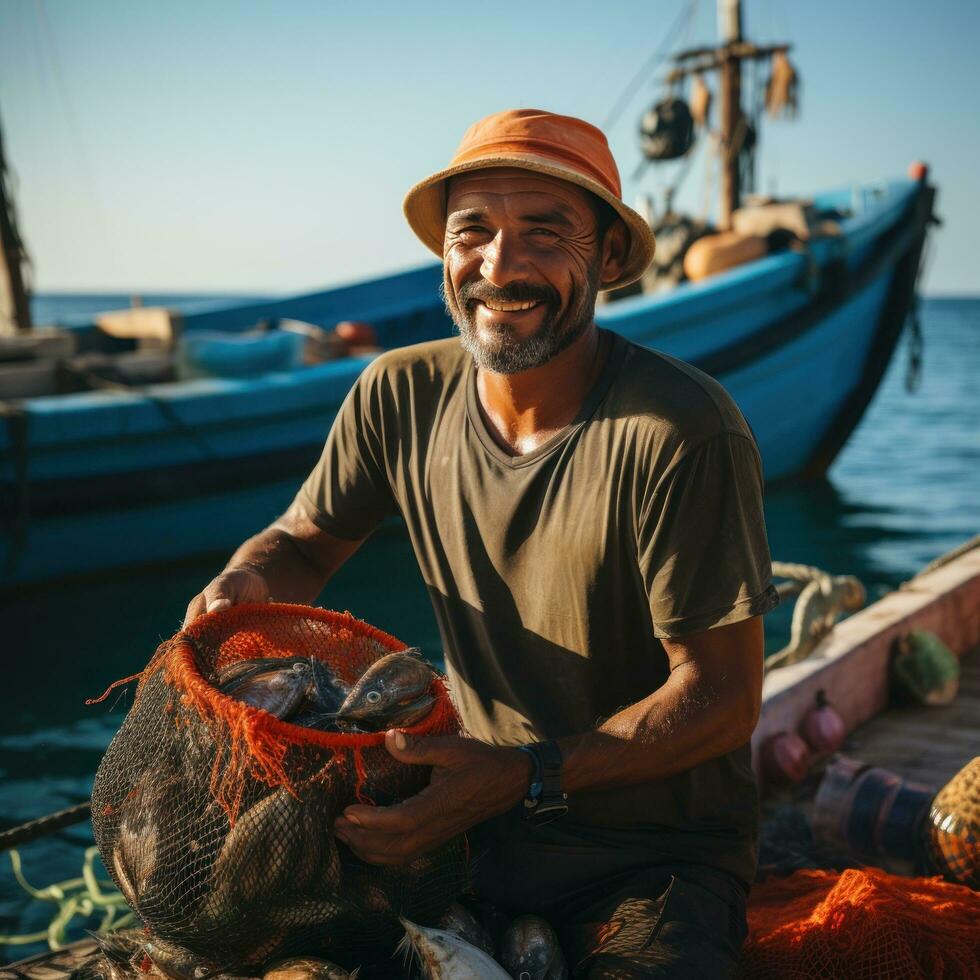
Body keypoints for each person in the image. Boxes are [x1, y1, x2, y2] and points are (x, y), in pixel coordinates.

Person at [184, 109, 779, 977]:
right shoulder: (397, 393)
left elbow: (723, 696)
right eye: (475, 233)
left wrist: (524, 775)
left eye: (546, 232)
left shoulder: (680, 430)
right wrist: (247, 577)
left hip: (649, 859)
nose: (501, 266)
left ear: (608, 258)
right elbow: (304, 543)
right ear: (446, 255)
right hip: (460, 831)